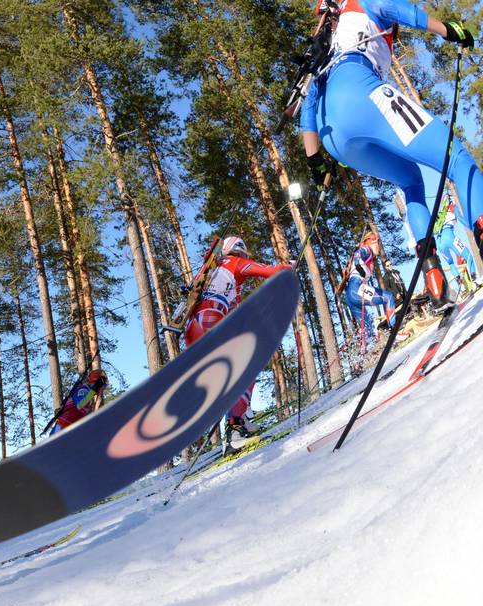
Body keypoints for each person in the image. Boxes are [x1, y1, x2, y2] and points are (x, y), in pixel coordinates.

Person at [299, 1, 481, 257]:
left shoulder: (329, 44)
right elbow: (391, 6)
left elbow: (308, 106)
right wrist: (448, 30)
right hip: (360, 90)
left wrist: (315, 160)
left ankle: (430, 268)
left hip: (334, 136)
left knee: (411, 179)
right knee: (457, 159)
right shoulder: (358, 4)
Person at [183, 236, 292, 437]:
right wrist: (289, 267)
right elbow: (270, 271)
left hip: (192, 327)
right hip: (210, 319)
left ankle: (239, 416)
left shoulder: (214, 270)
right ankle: (235, 425)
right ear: (239, 250)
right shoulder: (236, 263)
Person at [345, 232, 400, 345]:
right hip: (357, 288)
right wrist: (359, 266)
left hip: (350, 295)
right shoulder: (367, 249)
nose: (378, 247)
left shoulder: (368, 255)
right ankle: (395, 333)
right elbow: (358, 255)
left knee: (367, 328)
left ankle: (366, 355)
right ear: (372, 242)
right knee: (388, 297)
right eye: (377, 243)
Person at [433, 196, 478, 300]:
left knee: (451, 263)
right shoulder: (453, 208)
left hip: (439, 243)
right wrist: (473, 228)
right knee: (468, 255)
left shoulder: (441, 213)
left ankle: (461, 287)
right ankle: (475, 280)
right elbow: (462, 220)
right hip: (449, 236)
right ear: (451, 201)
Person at [48, 370, 109, 435]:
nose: (103, 390)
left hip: (71, 430)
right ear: (98, 384)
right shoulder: (83, 390)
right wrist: (94, 389)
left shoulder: (89, 397)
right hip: (62, 427)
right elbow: (80, 405)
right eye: (103, 386)